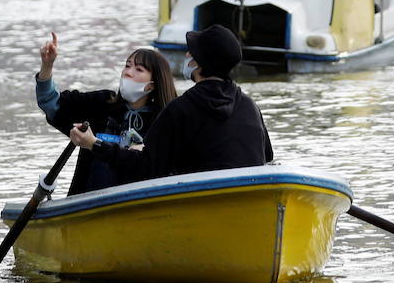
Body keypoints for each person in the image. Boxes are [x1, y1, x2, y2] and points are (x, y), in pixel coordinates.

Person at [71, 23, 273, 180]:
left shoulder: (180, 109)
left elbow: (146, 167)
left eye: (191, 52)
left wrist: (94, 144)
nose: (186, 55)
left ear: (199, 63)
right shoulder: (250, 106)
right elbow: (267, 156)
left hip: (199, 204)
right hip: (248, 197)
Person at [34, 31, 177, 195]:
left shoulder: (165, 119)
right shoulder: (102, 103)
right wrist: (47, 66)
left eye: (139, 69)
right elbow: (52, 104)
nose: (128, 72)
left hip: (143, 201)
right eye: (127, 65)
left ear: (152, 85)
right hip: (90, 202)